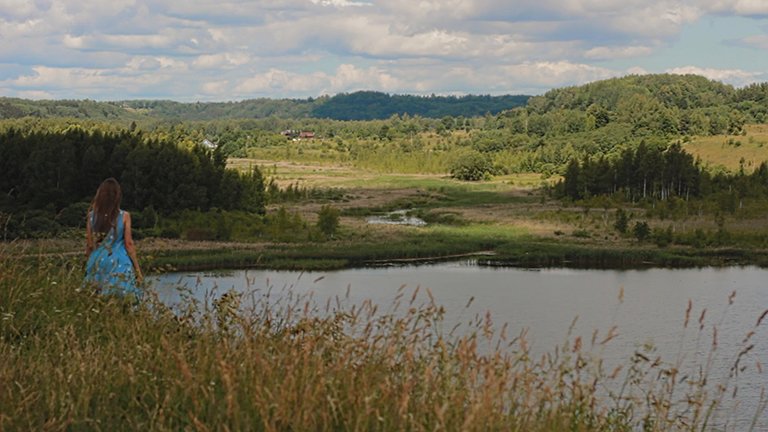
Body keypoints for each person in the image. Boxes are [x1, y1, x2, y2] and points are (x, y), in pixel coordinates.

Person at [83, 178, 143, 299]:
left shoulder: (91, 216)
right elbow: (129, 244)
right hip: (119, 261)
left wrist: (87, 264)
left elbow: (89, 245)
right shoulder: (124, 216)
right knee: (124, 299)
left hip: (97, 260)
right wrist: (137, 270)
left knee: (96, 298)